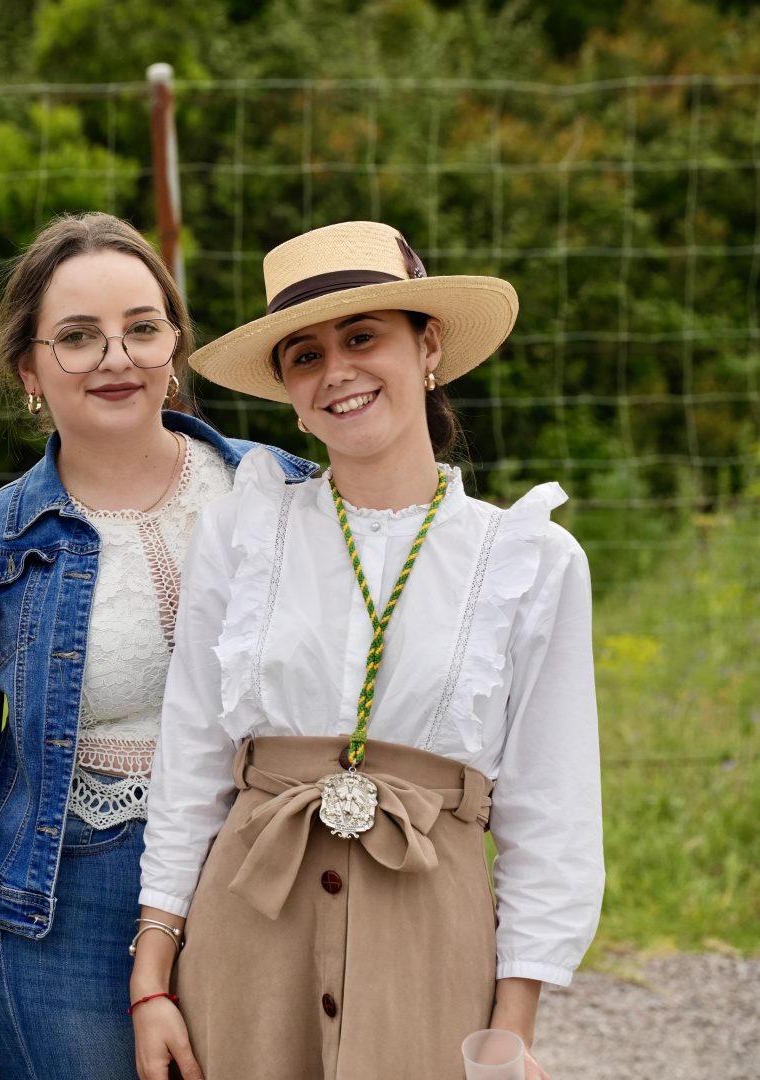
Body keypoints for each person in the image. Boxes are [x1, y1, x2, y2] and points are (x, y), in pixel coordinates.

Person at [130, 221, 604, 1080]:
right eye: (305, 356)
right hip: (249, 939)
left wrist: (512, 1030)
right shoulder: (243, 535)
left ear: (429, 347)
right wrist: (152, 978)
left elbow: (551, 811)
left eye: (361, 338)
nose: (336, 372)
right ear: (288, 391)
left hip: (431, 946)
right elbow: (191, 758)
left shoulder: (529, 561)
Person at [0, 212, 315, 1080]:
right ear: (28, 369)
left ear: (175, 347)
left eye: (142, 329)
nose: (117, 358)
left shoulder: (279, 492)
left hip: (268, 875)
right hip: (62, 912)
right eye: (77, 338)